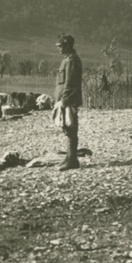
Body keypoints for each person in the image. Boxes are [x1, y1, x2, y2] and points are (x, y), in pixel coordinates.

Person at [54, 33, 83, 171]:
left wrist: (64, 100)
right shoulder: (67, 59)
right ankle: (69, 157)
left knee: (71, 128)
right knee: (67, 128)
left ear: (68, 46)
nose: (59, 48)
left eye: (61, 46)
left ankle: (72, 160)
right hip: (65, 100)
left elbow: (70, 83)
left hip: (69, 100)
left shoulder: (71, 60)